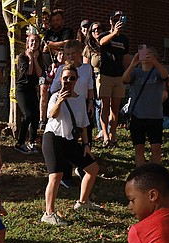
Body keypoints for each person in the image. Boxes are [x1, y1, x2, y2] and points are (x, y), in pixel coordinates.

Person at [41, 63, 100, 225]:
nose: (68, 81)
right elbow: (51, 115)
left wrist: (86, 145)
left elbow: (83, 125)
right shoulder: (55, 96)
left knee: (92, 169)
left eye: (72, 78)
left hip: (69, 140)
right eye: (65, 78)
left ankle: (82, 202)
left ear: (77, 79)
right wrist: (60, 100)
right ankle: (48, 213)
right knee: (56, 176)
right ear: (60, 79)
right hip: (53, 137)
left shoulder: (80, 99)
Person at [122, 45, 169, 167]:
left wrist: (155, 62)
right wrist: (133, 64)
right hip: (138, 116)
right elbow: (124, 79)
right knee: (139, 148)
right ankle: (141, 174)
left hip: (155, 116)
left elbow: (165, 75)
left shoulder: (157, 72)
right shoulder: (136, 72)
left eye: (149, 54)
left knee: (156, 148)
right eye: (143, 53)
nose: (145, 56)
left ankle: (155, 174)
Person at [96, 12, 132, 146]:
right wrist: (114, 33)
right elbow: (101, 43)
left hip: (118, 77)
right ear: (111, 21)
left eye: (120, 19)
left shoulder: (124, 39)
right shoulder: (104, 35)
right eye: (115, 19)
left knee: (115, 108)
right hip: (105, 75)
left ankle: (113, 135)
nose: (117, 21)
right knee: (104, 107)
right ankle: (105, 135)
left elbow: (126, 57)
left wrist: (128, 73)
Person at [14, 33, 44, 154]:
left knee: (36, 115)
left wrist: (35, 59)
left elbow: (40, 73)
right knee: (27, 115)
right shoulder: (22, 57)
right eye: (32, 41)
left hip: (32, 89)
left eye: (36, 41)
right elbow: (29, 73)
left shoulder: (39, 56)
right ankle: (20, 143)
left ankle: (32, 141)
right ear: (27, 42)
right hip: (22, 89)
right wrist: (31, 58)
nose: (33, 44)